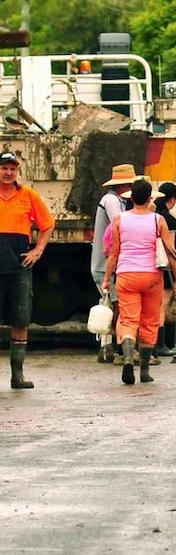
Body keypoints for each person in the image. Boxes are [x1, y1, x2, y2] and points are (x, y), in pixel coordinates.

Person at [103, 179, 176, 386]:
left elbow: (113, 254)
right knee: (149, 322)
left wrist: (105, 279)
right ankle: (145, 371)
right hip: (151, 277)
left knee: (129, 320)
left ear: (130, 197)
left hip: (126, 275)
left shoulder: (119, 220)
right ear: (149, 198)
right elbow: (170, 252)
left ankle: (128, 357)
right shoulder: (158, 220)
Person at [0, 151, 55, 389]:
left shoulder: (28, 195)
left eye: (12, 169)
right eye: (4, 168)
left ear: (17, 171)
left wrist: (38, 250)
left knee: (20, 319)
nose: (8, 173)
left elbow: (48, 224)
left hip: (19, 265)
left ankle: (17, 375)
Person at [91, 163, 138, 363]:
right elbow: (120, 224)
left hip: (106, 263)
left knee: (109, 305)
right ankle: (118, 349)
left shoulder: (114, 199)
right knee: (116, 306)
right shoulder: (111, 201)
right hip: (105, 264)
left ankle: (106, 348)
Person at [153, 181, 176, 358]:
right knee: (162, 305)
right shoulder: (167, 219)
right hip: (164, 267)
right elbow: (170, 250)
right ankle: (160, 344)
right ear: (172, 199)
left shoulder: (152, 214)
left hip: (149, 266)